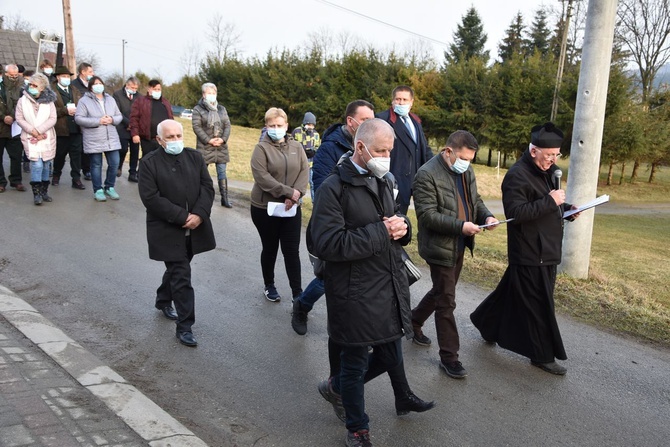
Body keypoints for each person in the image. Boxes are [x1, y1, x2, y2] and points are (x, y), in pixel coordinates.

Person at [310, 118, 420, 447]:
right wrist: (381, 232)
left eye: (390, 150)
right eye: (381, 150)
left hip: (386, 284)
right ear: (360, 148)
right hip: (353, 290)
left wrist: (403, 228)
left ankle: (336, 387)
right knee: (356, 362)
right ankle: (357, 428)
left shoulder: (383, 180)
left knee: (390, 357)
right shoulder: (334, 188)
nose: (387, 157)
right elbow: (326, 244)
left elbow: (395, 219)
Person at [470, 122, 580, 376]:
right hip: (530, 251)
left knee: (510, 292)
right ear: (533, 151)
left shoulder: (550, 173)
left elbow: (547, 204)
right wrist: (551, 201)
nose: (552, 161)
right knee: (538, 305)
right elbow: (517, 214)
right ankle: (541, 355)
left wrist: (568, 209)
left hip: (548, 248)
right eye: (548, 155)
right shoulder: (517, 175)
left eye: (556, 156)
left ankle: (486, 322)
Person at [410, 130, 498, 379]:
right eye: (463, 158)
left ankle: (413, 320)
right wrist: (461, 226)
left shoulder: (466, 171)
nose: (466, 164)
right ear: (448, 151)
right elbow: (427, 216)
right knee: (447, 301)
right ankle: (450, 358)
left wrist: (486, 216)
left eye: (470, 160)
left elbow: (475, 200)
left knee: (441, 292)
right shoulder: (426, 174)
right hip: (439, 247)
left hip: (460, 243)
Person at [292, 99, 375, 333]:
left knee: (360, 279)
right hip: (337, 227)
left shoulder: (369, 147)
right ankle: (302, 305)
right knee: (329, 278)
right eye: (366, 120)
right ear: (351, 122)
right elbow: (323, 193)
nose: (370, 125)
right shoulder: (329, 149)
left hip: (363, 225)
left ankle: (357, 331)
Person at [138, 119, 216, 347]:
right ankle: (185, 327)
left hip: (196, 227)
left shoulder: (195, 157)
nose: (175, 141)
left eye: (178, 136)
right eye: (170, 137)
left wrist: (199, 214)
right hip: (167, 229)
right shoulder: (149, 163)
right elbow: (151, 198)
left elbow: (207, 188)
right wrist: (182, 217)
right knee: (182, 275)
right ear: (159, 140)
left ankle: (163, 299)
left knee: (177, 267)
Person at [250, 107, 309, 302]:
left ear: (287, 126)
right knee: (270, 248)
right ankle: (269, 285)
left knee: (291, 251)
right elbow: (262, 177)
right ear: (266, 127)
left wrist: (295, 195)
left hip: (291, 207)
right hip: (264, 208)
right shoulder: (261, 149)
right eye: (272, 125)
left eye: (279, 125)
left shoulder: (297, 147)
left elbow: (304, 171)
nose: (276, 128)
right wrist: (287, 192)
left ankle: (297, 295)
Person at [376, 85, 433, 214]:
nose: (401, 102)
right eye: (398, 99)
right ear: (392, 100)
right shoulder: (382, 119)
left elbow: (423, 148)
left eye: (404, 100)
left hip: (413, 182)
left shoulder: (416, 122)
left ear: (411, 102)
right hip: (391, 181)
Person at [74, 76, 123, 202]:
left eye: (100, 83)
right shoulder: (84, 101)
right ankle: (98, 189)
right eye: (95, 84)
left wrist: (111, 119)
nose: (98, 85)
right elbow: (78, 118)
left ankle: (109, 186)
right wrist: (98, 121)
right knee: (96, 165)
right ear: (90, 87)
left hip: (111, 137)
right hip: (94, 138)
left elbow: (119, 116)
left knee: (115, 163)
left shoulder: (110, 99)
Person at [14, 73, 57, 205]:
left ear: (42, 88)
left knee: (45, 164)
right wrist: (32, 130)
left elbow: (52, 118)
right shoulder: (23, 100)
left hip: (46, 136)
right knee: (36, 164)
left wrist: (39, 130)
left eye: (35, 85)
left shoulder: (49, 101)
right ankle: (36, 193)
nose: (31, 87)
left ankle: (44, 191)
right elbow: (19, 118)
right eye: (30, 84)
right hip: (30, 135)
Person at [192, 82, 232, 207]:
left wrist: (223, 139)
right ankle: (199, 197)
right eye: (209, 93)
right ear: (203, 94)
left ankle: (224, 198)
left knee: (222, 173)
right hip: (205, 146)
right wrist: (208, 140)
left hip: (221, 146)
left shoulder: (222, 109)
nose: (212, 95)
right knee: (201, 173)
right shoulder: (198, 109)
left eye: (213, 93)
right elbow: (197, 127)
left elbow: (227, 125)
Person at [51, 66, 85, 190]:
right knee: (60, 155)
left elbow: (82, 104)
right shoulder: (51, 91)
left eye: (68, 76)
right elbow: (49, 110)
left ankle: (76, 179)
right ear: (57, 77)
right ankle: (56, 175)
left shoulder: (75, 90)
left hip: (76, 128)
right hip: (61, 128)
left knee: (76, 156)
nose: (66, 79)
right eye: (64, 76)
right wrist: (65, 110)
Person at [129, 79, 173, 161]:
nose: (157, 91)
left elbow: (171, 118)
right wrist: (135, 134)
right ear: (149, 89)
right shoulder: (140, 101)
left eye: (159, 89)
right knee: (148, 161)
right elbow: (134, 118)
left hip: (163, 139)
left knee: (163, 161)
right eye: (154, 89)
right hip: (148, 139)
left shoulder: (165, 102)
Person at [0, 64, 27, 192]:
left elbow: (23, 106)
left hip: (15, 127)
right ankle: (1, 182)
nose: (14, 77)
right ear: (5, 74)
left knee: (16, 156)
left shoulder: (22, 88)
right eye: (11, 75)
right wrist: (3, 117)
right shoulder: (1, 87)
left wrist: (12, 116)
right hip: (1, 126)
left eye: (16, 75)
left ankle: (16, 181)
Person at [113, 76, 140, 182]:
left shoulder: (139, 97)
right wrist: (128, 123)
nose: (134, 90)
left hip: (135, 129)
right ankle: (119, 166)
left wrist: (134, 125)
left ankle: (132, 173)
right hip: (122, 126)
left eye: (136, 88)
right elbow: (117, 111)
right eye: (132, 87)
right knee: (123, 149)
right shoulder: (117, 95)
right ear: (127, 85)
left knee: (135, 151)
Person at [71, 62, 95, 180]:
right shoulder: (74, 85)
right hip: (78, 121)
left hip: (91, 121)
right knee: (78, 149)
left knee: (88, 148)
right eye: (90, 72)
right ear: (83, 72)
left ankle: (87, 170)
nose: (92, 74)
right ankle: (76, 173)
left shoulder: (93, 85)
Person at [291, 112, 320, 200]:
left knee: (312, 183)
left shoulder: (316, 135)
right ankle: (298, 201)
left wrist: (313, 151)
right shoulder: (296, 131)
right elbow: (291, 145)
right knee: (298, 183)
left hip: (311, 164)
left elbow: (318, 147)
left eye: (312, 125)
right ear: (305, 123)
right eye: (309, 124)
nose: (310, 126)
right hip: (298, 164)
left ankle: (315, 202)